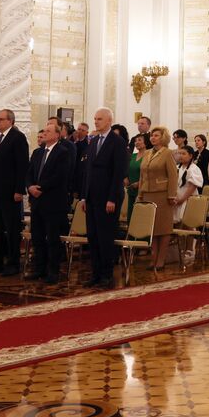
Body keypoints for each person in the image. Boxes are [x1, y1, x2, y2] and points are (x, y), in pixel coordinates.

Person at [82, 107, 129, 287]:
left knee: (105, 237)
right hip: (92, 198)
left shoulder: (117, 142)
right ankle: (95, 274)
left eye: (99, 119)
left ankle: (106, 275)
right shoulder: (93, 142)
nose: (96, 122)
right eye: (95, 119)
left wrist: (112, 198)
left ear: (109, 120)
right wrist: (85, 197)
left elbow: (118, 173)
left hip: (108, 198)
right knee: (93, 237)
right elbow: (87, 172)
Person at [25, 117, 75, 284]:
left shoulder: (63, 152)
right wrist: (30, 187)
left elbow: (60, 176)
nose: (44, 133)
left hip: (53, 201)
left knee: (52, 238)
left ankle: (52, 271)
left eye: (48, 131)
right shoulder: (38, 152)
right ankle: (39, 269)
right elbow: (29, 173)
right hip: (37, 201)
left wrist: (40, 188)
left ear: (57, 135)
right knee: (37, 237)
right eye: (44, 131)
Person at [0, 108, 29, 276]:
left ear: (10, 121)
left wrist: (19, 189)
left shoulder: (18, 138)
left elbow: (22, 165)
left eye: (1, 119)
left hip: (10, 192)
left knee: (11, 228)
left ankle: (13, 263)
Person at [139, 126, 180, 273]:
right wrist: (140, 193)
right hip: (148, 194)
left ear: (162, 137)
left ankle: (161, 260)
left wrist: (171, 195)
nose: (153, 138)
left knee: (163, 229)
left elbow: (173, 175)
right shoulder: (148, 153)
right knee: (152, 229)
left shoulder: (168, 153)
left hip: (162, 195)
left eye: (156, 135)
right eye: (152, 135)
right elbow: (142, 175)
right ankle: (153, 258)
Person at [126, 132, 149, 216]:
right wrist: (126, 178)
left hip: (142, 191)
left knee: (139, 216)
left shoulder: (149, 155)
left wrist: (139, 183)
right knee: (130, 215)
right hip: (131, 190)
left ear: (146, 142)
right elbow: (127, 169)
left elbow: (149, 173)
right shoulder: (133, 156)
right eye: (135, 141)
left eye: (140, 140)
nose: (137, 142)